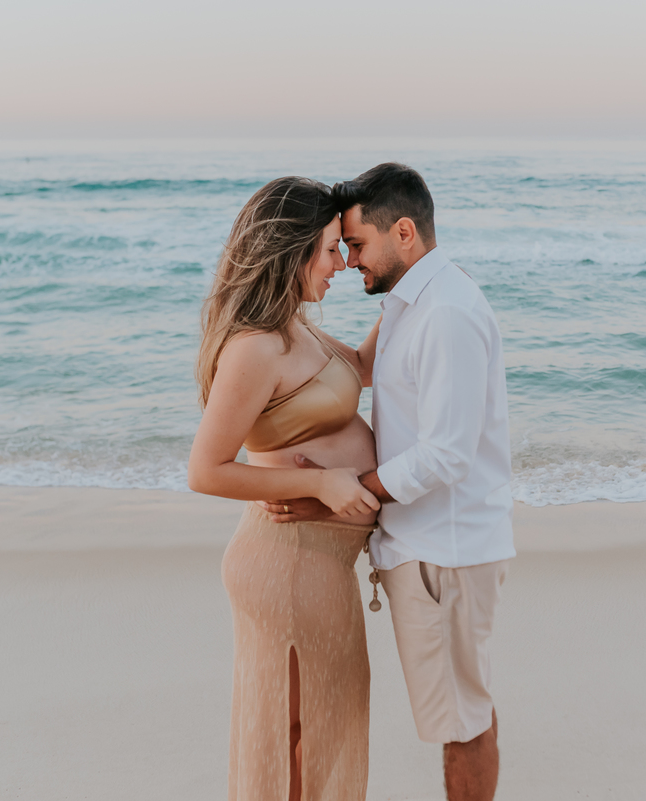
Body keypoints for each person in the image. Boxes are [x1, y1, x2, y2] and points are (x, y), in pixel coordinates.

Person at [261, 163, 515, 801]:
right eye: (340, 248)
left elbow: (447, 455)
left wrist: (347, 487)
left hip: (444, 555)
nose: (347, 261)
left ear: (404, 232)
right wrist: (271, 333)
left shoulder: (447, 313)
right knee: (460, 712)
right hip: (427, 549)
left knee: (462, 723)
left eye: (356, 244)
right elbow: (358, 370)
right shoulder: (410, 303)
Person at [186, 176, 385, 801]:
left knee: (320, 732)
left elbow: (364, 368)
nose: (340, 264)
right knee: (301, 738)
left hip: (316, 563)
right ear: (292, 249)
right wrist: (321, 482)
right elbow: (205, 469)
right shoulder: (257, 346)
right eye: (330, 248)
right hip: (290, 562)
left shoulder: (298, 329)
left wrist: (408, 285)